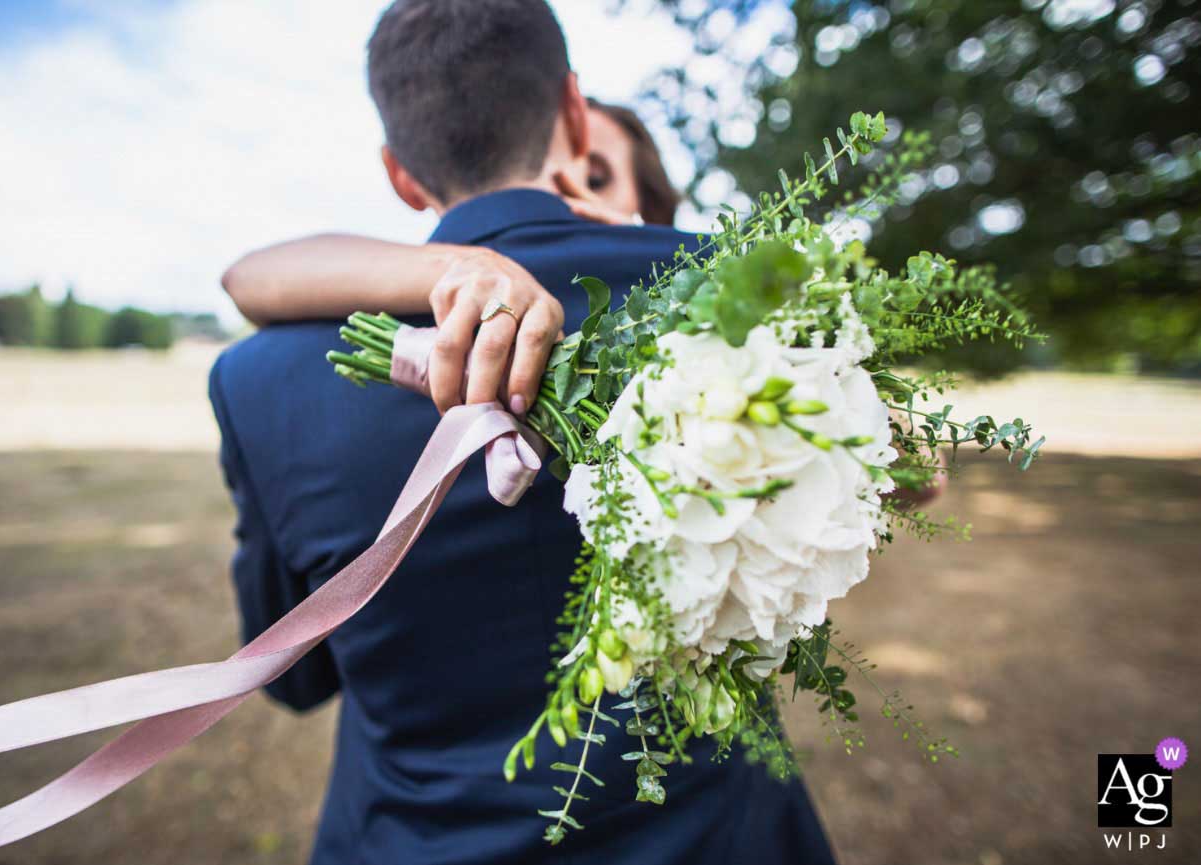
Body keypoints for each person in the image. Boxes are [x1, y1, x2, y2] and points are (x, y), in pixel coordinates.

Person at [208, 2, 836, 863]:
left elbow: (297, 672)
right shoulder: (748, 303)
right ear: (574, 115)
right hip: (721, 837)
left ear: (400, 172)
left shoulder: (257, 377)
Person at [220, 98, 679, 331]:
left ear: (650, 205)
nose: (561, 203)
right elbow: (246, 275)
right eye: (550, 179)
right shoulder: (462, 287)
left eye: (594, 181)